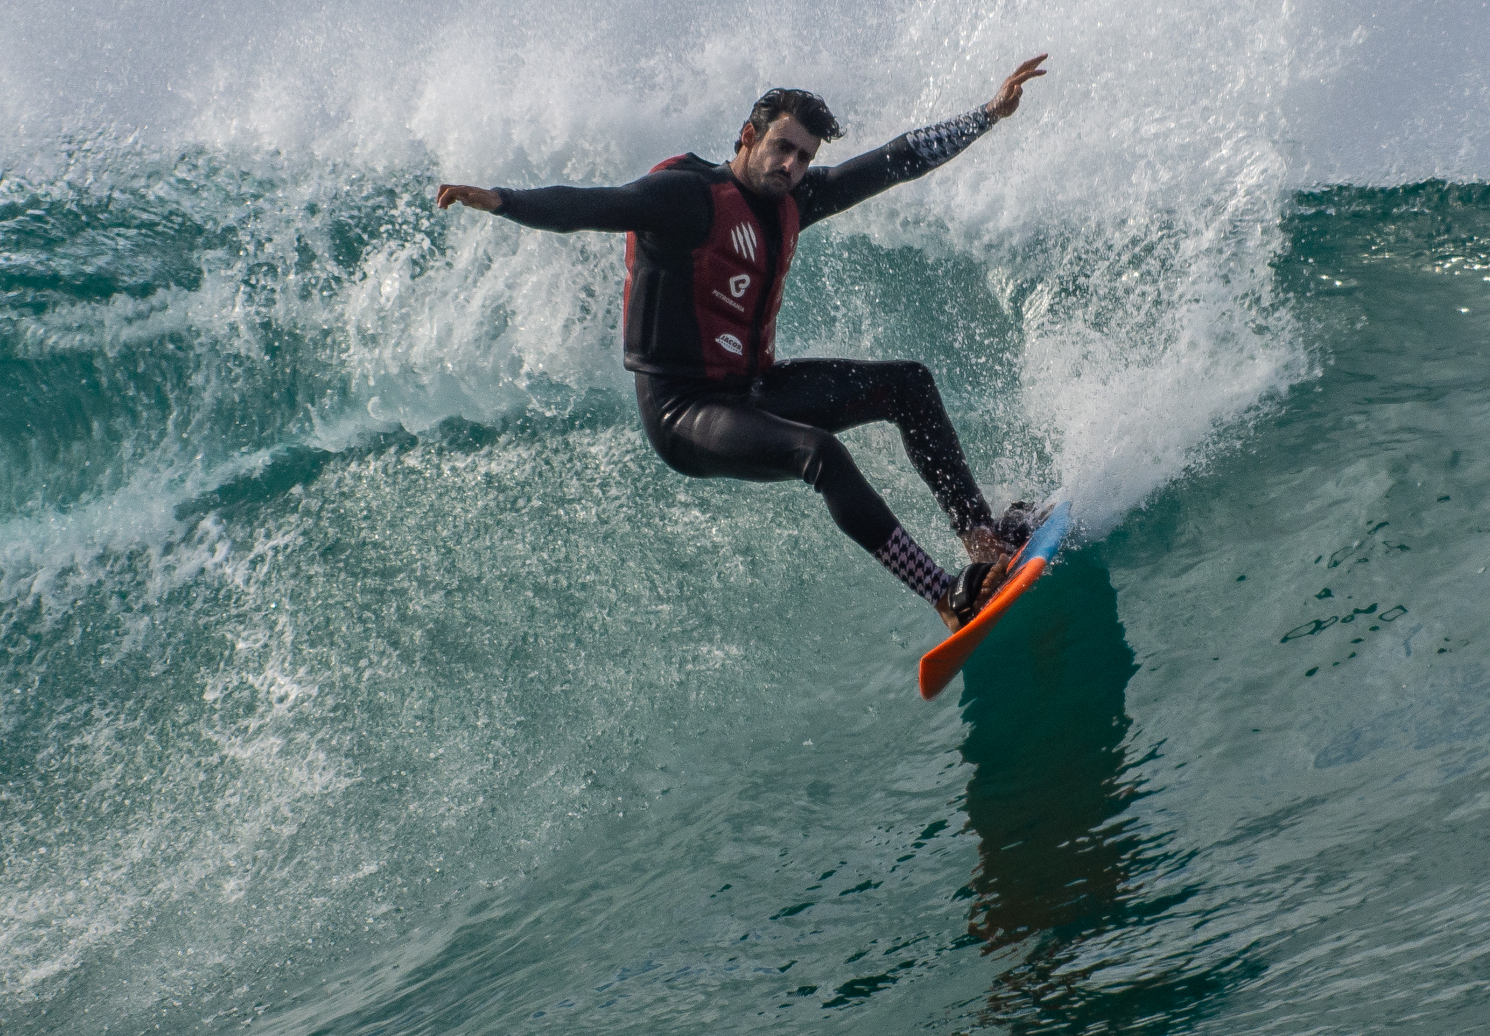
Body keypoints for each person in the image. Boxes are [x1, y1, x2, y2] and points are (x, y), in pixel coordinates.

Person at [439, 55, 1050, 628]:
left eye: (805, 157)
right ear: (748, 136)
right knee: (820, 455)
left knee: (908, 384)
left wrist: (987, 115)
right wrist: (501, 200)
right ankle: (945, 595)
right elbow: (593, 205)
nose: (792, 166)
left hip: (752, 389)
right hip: (685, 411)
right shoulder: (685, 197)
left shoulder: (794, 199)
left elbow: (895, 160)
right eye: (783, 147)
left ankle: (983, 540)